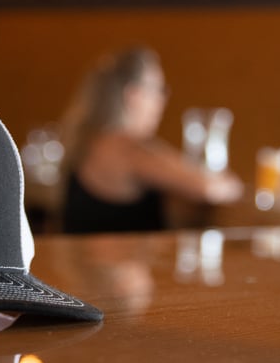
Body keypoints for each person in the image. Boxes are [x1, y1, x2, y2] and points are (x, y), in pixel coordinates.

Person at [59, 47, 243, 234]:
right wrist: (232, 184)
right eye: (159, 90)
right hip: (122, 262)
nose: (163, 100)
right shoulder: (128, 149)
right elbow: (208, 187)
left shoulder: (90, 140)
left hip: (84, 259)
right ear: (134, 95)